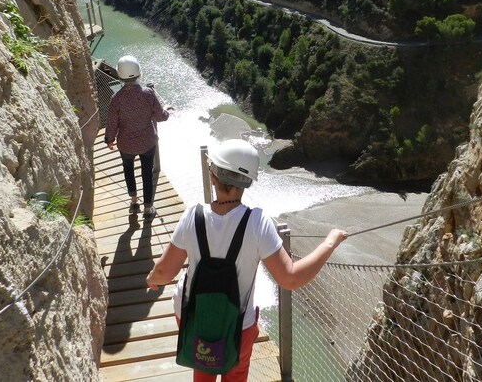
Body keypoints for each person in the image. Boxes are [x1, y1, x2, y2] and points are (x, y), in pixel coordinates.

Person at [146, 139, 347, 382]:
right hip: (238, 323)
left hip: (194, 313)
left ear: (212, 176)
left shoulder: (192, 216)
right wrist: (330, 242)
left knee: (203, 367)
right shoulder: (257, 222)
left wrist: (153, 278)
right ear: (248, 182)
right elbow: (290, 278)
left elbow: (164, 273)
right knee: (235, 374)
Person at [105, 55, 173, 218]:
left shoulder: (116, 99)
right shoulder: (148, 93)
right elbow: (160, 116)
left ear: (120, 76)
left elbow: (112, 122)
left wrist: (109, 139)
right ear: (138, 74)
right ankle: (148, 209)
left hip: (126, 144)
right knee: (147, 173)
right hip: (147, 142)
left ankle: (134, 202)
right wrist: (167, 111)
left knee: (128, 170)